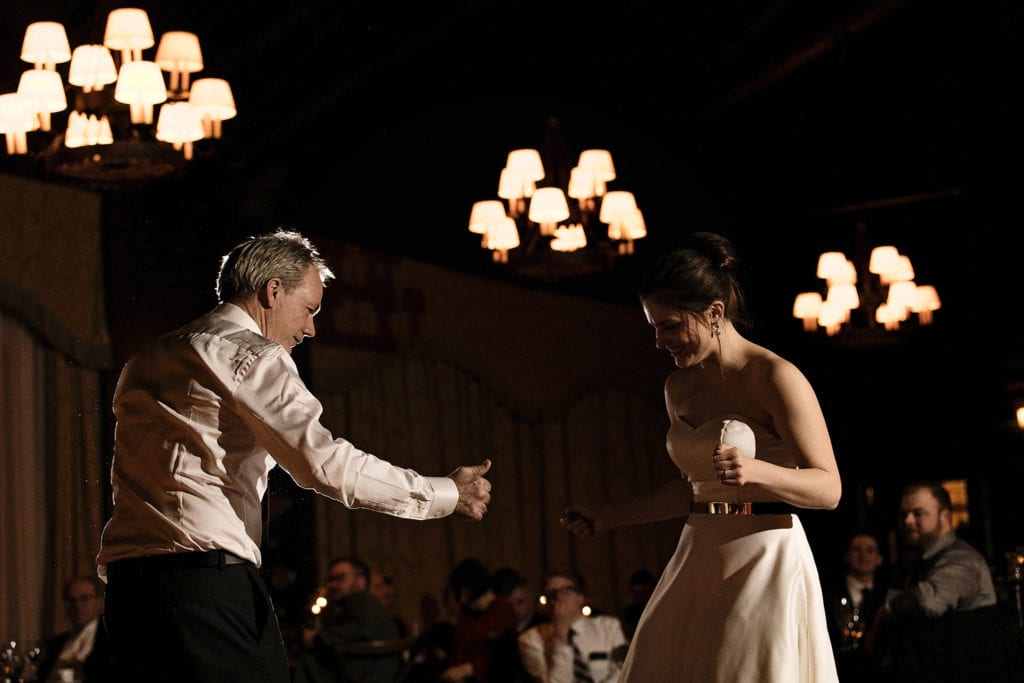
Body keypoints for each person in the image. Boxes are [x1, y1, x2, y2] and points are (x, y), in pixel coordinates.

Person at [95, 229, 493, 683]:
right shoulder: (252, 354)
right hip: (204, 588)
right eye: (309, 309)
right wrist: (444, 494)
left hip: (128, 597)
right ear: (273, 291)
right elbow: (324, 465)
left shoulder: (145, 359)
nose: (310, 329)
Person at [560, 231, 842, 682]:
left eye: (668, 325)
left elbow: (829, 489)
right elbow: (693, 487)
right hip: (699, 550)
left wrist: (756, 471)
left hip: (764, 554)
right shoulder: (679, 387)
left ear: (714, 313)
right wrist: (610, 517)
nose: (659, 341)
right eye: (653, 327)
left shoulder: (776, 376)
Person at [866, 480, 1023, 681]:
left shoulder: (962, 559)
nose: (907, 521)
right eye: (903, 514)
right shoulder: (917, 560)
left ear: (945, 516)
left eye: (918, 513)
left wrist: (887, 611)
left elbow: (929, 601)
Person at [293, 555, 403, 683]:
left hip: (370, 673)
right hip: (367, 670)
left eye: (340, 578)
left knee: (308, 659)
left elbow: (364, 629)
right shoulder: (350, 605)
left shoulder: (363, 600)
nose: (334, 585)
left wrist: (318, 638)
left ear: (360, 580)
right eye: (331, 580)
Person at [517, 571, 627, 683]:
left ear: (580, 597)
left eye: (565, 591)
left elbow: (623, 672)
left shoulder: (608, 627)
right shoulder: (531, 639)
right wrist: (561, 638)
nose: (558, 598)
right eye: (551, 593)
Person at [439, 557, 520, 683]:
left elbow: (505, 659)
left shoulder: (503, 609)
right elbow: (458, 652)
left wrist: (471, 669)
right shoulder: (465, 614)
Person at [823, 531, 886, 681]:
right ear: (847, 556)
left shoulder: (887, 596)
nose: (863, 556)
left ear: (879, 559)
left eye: (870, 550)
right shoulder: (827, 595)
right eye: (857, 549)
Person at [33, 575, 112, 683]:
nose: (77, 605)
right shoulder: (54, 643)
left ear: (99, 602)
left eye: (84, 598)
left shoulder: (111, 640)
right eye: (71, 599)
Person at [369, 570, 410, 639]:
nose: (385, 591)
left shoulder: (395, 622)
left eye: (384, 586)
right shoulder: (366, 624)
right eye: (378, 587)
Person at [618, 569, 655, 641]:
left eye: (645, 594)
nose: (641, 598)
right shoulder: (631, 612)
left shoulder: (659, 609)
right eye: (638, 595)